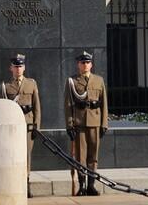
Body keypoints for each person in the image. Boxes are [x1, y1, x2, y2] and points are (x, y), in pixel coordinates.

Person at [63, 51, 108, 196]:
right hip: (79, 123)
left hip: (95, 121)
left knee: (93, 155)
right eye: (82, 63)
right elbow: (68, 104)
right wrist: (70, 124)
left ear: (91, 64)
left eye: (87, 62)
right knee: (81, 156)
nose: (85, 65)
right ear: (78, 65)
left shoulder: (98, 80)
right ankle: (81, 185)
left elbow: (104, 104)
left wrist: (104, 124)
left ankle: (91, 185)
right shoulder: (72, 81)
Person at [0, 54, 41, 197]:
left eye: (21, 66)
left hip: (28, 125)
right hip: (13, 127)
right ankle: (15, 184)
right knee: (12, 155)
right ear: (10, 68)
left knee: (26, 155)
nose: (18, 69)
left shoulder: (31, 84)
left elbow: (37, 106)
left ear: (24, 68)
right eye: (16, 66)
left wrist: (36, 125)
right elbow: (4, 108)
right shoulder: (6, 86)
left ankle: (26, 184)